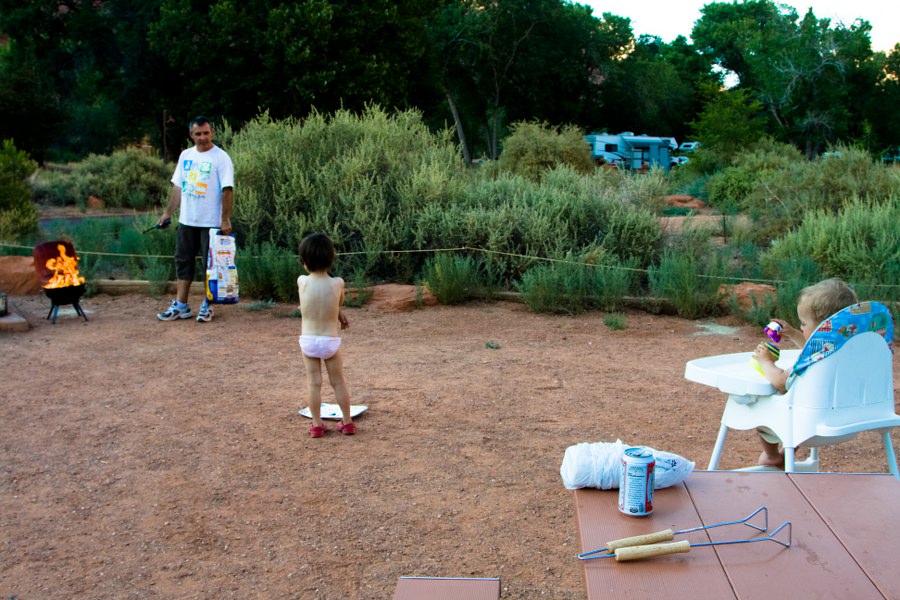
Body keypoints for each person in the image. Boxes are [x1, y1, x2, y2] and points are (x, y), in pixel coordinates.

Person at [752, 278, 858, 467]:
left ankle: (771, 455)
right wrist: (793, 333)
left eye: (803, 323)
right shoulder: (848, 347)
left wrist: (765, 361)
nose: (801, 327)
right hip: (850, 419)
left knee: (763, 404)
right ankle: (788, 451)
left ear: (822, 327)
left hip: (810, 423)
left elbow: (779, 381)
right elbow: (814, 348)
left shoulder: (815, 355)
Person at [156, 116, 234, 322]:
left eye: (206, 133)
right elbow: (178, 186)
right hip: (187, 220)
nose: (203, 138)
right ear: (191, 135)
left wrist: (225, 219)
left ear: (212, 133)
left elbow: (227, 189)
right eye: (198, 134)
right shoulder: (185, 156)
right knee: (183, 260)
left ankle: (208, 304)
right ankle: (181, 304)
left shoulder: (221, 157)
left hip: (211, 222)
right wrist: (168, 213)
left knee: (212, 265)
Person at [297, 233, 354, 438]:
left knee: (314, 383)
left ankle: (317, 425)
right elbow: (336, 302)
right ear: (332, 259)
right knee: (338, 381)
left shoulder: (301, 281)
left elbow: (309, 303)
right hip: (330, 341)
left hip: (309, 341)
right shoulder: (338, 283)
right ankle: (347, 422)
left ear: (304, 261)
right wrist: (338, 313)